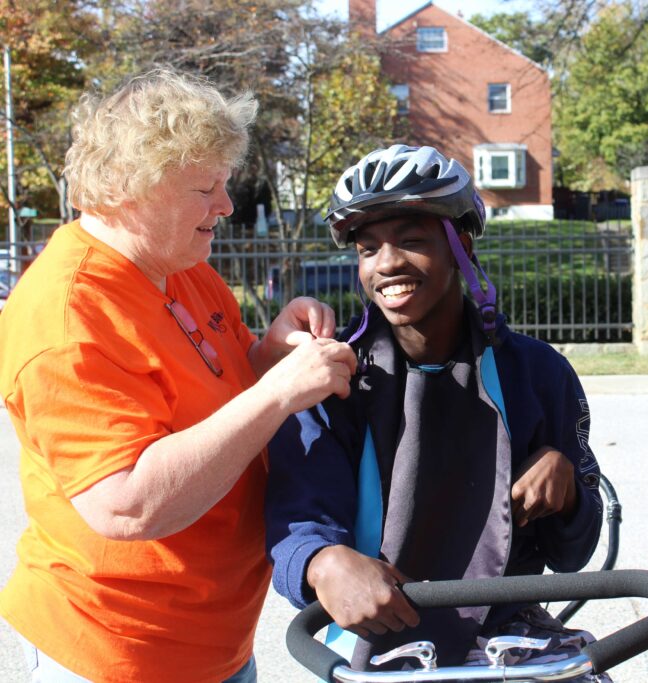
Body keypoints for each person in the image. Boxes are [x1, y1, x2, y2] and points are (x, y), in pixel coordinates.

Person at [0, 69, 358, 683]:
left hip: (213, 645)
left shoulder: (176, 265)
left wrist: (269, 353)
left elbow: (215, 381)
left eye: (225, 183)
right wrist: (278, 393)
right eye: (205, 188)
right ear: (127, 189)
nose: (226, 205)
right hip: (118, 654)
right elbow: (128, 508)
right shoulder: (67, 316)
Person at [265, 144, 607, 677]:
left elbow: (574, 553)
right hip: (382, 646)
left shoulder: (538, 374)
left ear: (461, 246)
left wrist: (567, 490)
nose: (387, 264)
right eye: (367, 248)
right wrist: (323, 562)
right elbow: (300, 521)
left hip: (512, 644)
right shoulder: (334, 382)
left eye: (411, 241)